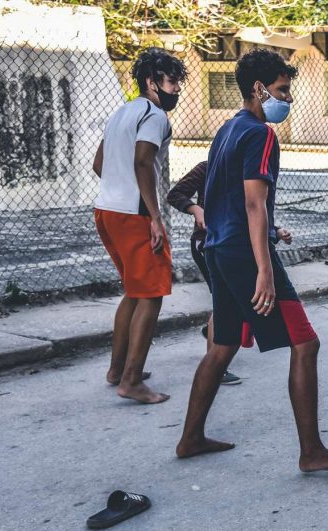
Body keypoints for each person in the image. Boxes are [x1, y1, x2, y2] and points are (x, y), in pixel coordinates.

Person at [175, 49, 328, 473]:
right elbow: (254, 204)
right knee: (305, 343)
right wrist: (264, 270)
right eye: (281, 90)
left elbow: (222, 197)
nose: (287, 98)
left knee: (222, 345)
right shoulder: (260, 134)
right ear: (258, 89)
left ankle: (190, 438)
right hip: (243, 253)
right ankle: (311, 452)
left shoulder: (227, 129)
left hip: (218, 249)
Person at [92, 47, 186, 404]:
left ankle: (118, 369)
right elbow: (143, 162)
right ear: (151, 82)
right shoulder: (155, 115)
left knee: (134, 290)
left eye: (178, 82)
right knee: (151, 295)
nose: (176, 88)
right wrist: (156, 217)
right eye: (171, 81)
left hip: (107, 211)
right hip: (134, 216)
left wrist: (120, 188)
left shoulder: (122, 111)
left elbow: (100, 163)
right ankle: (130, 381)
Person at [166, 161, 294, 386]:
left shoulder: (248, 170)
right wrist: (195, 209)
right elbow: (176, 194)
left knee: (228, 303)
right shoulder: (208, 167)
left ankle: (215, 337)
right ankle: (216, 363)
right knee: (223, 303)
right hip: (207, 243)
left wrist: (275, 231)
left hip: (233, 245)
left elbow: (248, 212)